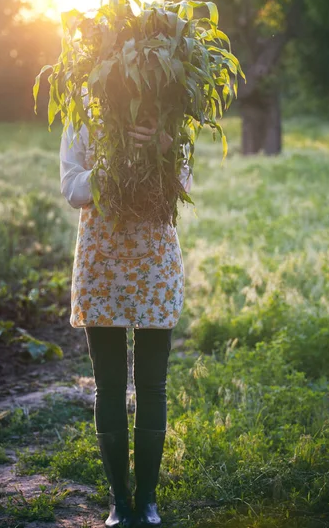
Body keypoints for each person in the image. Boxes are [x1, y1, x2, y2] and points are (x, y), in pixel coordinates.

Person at [59, 106, 193, 527]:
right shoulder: (81, 116)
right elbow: (71, 189)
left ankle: (148, 500)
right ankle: (119, 501)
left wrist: (165, 150)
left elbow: (184, 188)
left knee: (153, 386)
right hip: (102, 265)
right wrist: (111, 165)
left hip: (154, 266)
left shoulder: (168, 115)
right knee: (110, 385)